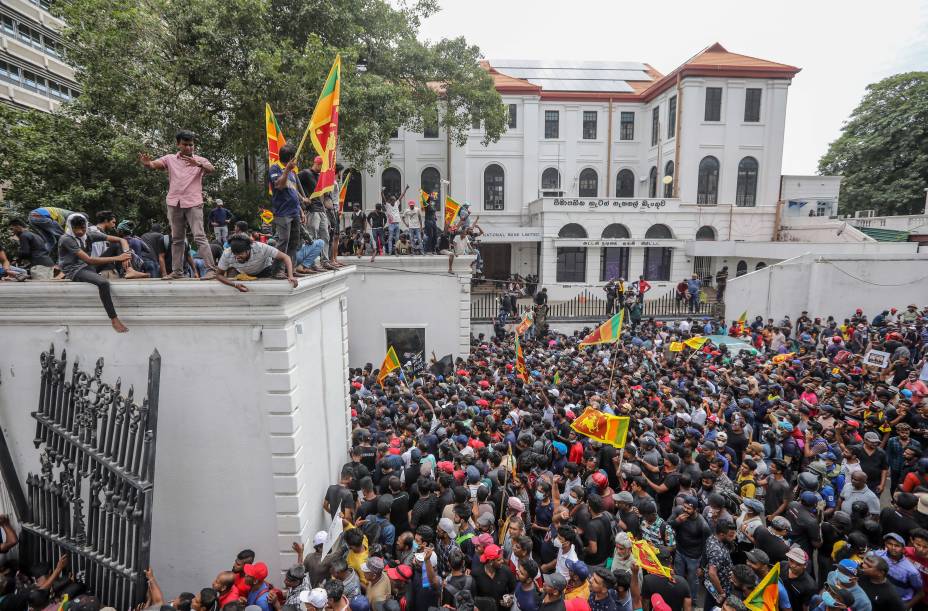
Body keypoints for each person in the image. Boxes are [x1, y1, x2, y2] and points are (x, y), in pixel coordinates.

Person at [139, 129, 217, 279]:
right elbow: (155, 164)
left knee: (199, 236)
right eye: (185, 144)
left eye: (191, 145)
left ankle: (211, 270)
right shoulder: (170, 159)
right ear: (178, 144)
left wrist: (198, 164)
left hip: (193, 202)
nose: (188, 148)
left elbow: (211, 169)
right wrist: (148, 164)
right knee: (177, 239)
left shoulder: (200, 159)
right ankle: (177, 272)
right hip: (174, 202)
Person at [57, 214, 132, 333]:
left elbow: (121, 239)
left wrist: (126, 254)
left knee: (115, 245)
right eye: (76, 229)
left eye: (83, 228)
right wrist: (118, 258)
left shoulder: (90, 235)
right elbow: (89, 260)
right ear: (71, 227)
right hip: (75, 270)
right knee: (103, 283)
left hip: (89, 266)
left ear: (86, 226)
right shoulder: (67, 239)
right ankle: (114, 319)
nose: (80, 231)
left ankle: (130, 270)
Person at [214, 235, 298, 292]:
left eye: (240, 254)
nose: (237, 257)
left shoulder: (261, 248)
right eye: (235, 254)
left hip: (264, 270)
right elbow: (218, 275)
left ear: (248, 250)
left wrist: (291, 276)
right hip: (242, 273)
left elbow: (285, 257)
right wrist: (234, 285)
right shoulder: (227, 253)